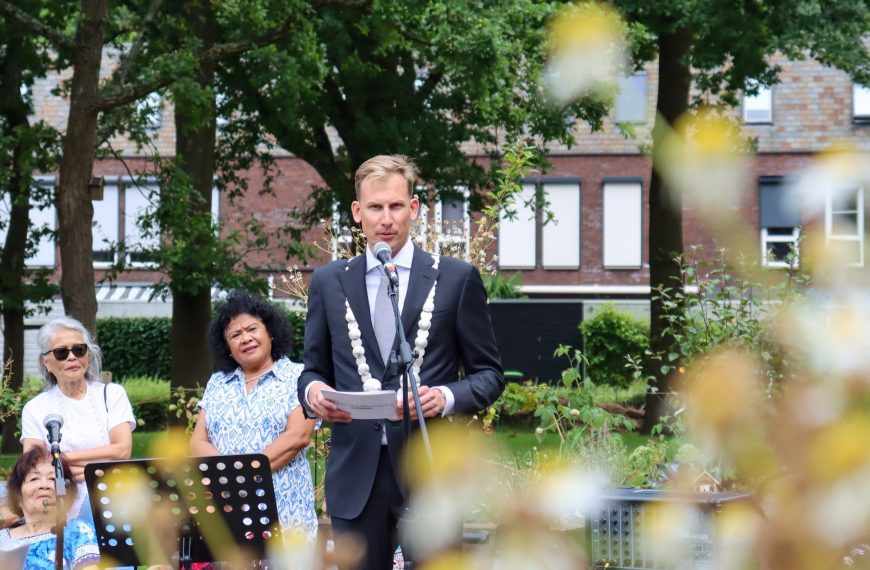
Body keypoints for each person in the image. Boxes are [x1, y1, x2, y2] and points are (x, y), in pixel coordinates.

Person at [299, 154, 505, 569]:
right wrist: (313, 393)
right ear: (358, 213)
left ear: (413, 208)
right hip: (356, 475)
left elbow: (489, 375)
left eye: (396, 206)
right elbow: (313, 369)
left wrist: (445, 397)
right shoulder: (327, 282)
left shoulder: (456, 278)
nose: (386, 219)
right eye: (375, 207)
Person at [190, 291, 318, 542]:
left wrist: (239, 477)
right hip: (228, 511)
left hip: (285, 516)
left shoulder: (299, 376)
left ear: (270, 332)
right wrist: (225, 478)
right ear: (226, 346)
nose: (245, 338)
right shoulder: (218, 382)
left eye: (252, 329)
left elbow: (297, 436)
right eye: (235, 335)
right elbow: (198, 441)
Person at [21, 316, 136, 523]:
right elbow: (34, 466)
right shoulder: (35, 408)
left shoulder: (112, 394)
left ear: (88, 355)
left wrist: (62, 460)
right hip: (60, 508)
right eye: (62, 352)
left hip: (115, 501)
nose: (72, 357)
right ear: (45, 362)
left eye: (79, 350)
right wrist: (101, 464)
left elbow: (122, 450)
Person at [0, 446, 100, 569]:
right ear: (18, 496)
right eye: (34, 479)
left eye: (53, 479)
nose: (44, 485)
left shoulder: (77, 532)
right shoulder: (2, 538)